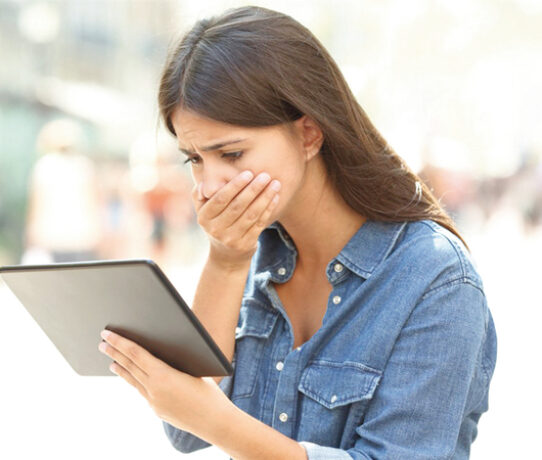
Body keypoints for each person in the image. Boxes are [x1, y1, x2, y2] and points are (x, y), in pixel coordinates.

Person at [97, 6, 497, 459]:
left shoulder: (435, 279)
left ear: (308, 134)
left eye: (231, 154)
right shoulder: (253, 254)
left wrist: (215, 420)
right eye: (194, 159)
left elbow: (203, 419)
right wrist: (224, 263)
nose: (207, 186)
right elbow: (185, 431)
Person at [24, 119, 103, 264]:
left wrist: (30, 234)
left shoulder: (44, 166)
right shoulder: (84, 166)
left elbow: (36, 205)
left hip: (51, 236)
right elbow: (95, 202)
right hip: (81, 236)